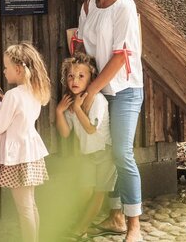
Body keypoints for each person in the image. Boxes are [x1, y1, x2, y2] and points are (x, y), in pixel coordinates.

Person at [71, 0, 144, 242]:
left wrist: (91, 91)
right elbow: (80, 49)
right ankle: (114, 216)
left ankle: (134, 226)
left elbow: (120, 57)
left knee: (121, 153)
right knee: (102, 154)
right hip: (97, 92)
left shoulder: (124, 6)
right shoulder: (88, 7)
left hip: (124, 90)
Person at [0, 43, 51, 242]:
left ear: (19, 70)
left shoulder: (13, 94)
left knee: (24, 208)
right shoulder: (34, 92)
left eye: (6, 67)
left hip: (17, 157)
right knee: (30, 205)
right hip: (30, 153)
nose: (4, 71)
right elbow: (12, 114)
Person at [55, 53, 117, 240]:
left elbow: (90, 129)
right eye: (71, 76)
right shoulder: (71, 103)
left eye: (81, 76)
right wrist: (59, 112)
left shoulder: (98, 100)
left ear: (91, 78)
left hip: (105, 152)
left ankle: (80, 228)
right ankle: (73, 220)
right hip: (87, 155)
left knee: (98, 194)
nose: (75, 80)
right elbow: (65, 133)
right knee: (84, 191)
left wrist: (79, 109)